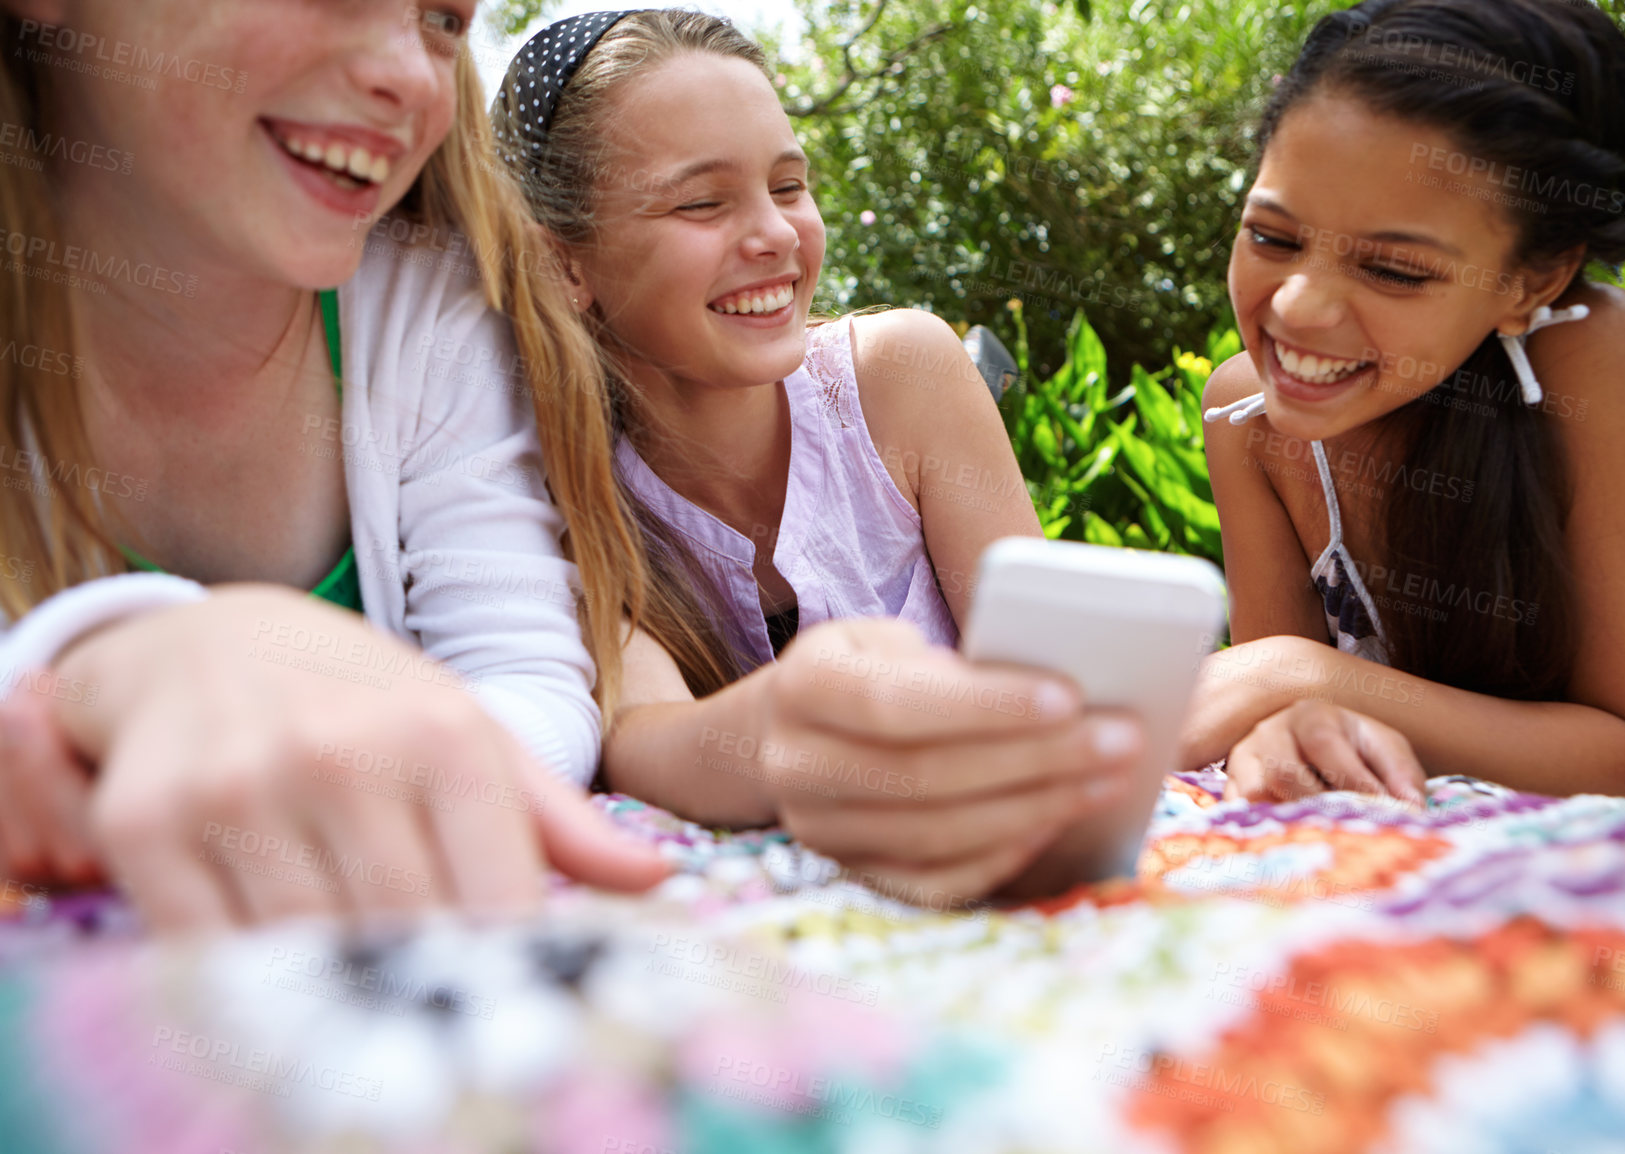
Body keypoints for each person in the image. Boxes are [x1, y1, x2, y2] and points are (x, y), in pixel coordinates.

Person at [0, 0, 667, 929]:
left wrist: (373, 776)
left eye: (443, 17)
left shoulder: (425, 310)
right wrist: (85, 668)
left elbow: (532, 682)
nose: (412, 75)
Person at [492, 9, 1148, 902]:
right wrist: (796, 721)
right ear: (565, 265)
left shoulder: (901, 378)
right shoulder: (563, 489)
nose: (775, 234)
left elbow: (1067, 681)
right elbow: (643, 737)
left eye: (789, 186)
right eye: (701, 202)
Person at [1180, 0, 1625, 802]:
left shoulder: (1593, 353)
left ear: (1529, 282)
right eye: (1273, 237)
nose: (1299, 308)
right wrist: (1290, 725)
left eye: (1396, 271)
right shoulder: (1246, 415)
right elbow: (1291, 724)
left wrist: (1294, 677)